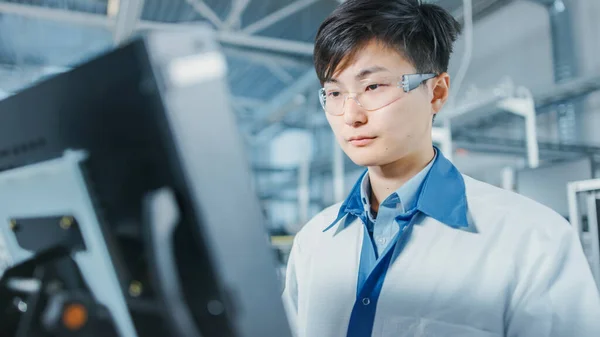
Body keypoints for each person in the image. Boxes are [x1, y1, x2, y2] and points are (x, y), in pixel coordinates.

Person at [281, 0, 600, 336]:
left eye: (373, 86)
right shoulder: (313, 242)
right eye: (334, 92)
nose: (351, 116)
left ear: (436, 92)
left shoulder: (532, 240)